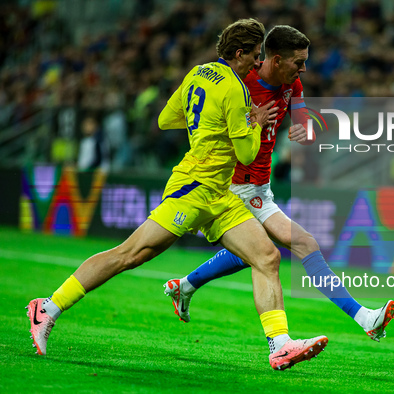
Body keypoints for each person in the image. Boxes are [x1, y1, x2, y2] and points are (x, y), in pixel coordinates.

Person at [26, 19, 327, 372]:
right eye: (255, 55)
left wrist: (208, 126)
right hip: (194, 188)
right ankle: (47, 307)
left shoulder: (198, 73)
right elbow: (247, 154)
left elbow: (166, 120)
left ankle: (280, 345)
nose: (258, 63)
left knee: (266, 256)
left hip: (219, 193)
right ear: (240, 53)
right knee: (130, 255)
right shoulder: (236, 89)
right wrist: (254, 122)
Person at [163, 25, 394, 342]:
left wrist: (305, 130)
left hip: (261, 187)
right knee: (302, 244)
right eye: (298, 62)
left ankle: (185, 285)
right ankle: (362, 318)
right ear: (275, 59)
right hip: (232, 186)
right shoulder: (240, 82)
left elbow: (302, 121)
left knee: (256, 253)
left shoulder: (293, 84)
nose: (303, 69)